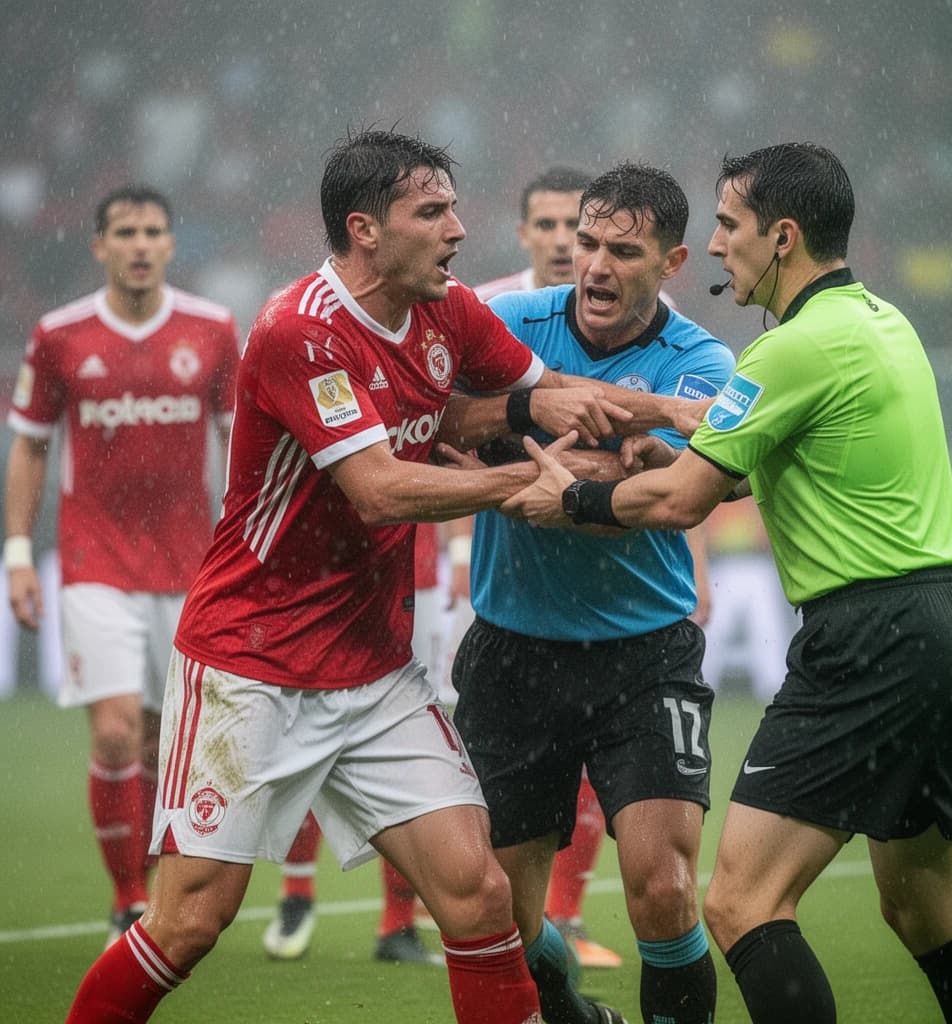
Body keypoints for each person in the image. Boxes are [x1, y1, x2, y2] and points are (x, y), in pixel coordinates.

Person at [63, 126, 660, 1024]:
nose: (459, 228)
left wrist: (677, 421)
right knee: (190, 920)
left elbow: (528, 402)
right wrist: (529, 483)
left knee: (477, 893)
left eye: (454, 206)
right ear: (366, 229)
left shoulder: (446, 308)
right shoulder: (298, 331)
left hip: (374, 669)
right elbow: (379, 491)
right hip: (249, 665)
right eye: (433, 211)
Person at [505, 142, 952, 1024]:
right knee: (926, 908)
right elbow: (747, 467)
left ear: (783, 237)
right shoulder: (880, 321)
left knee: (742, 903)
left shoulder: (788, 350)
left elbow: (680, 503)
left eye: (728, 226)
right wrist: (679, 447)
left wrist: (577, 496)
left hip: (873, 636)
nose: (714, 246)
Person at [452, 162, 734, 1024]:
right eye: (587, 243)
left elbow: (655, 500)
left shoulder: (700, 359)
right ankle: (578, 1016)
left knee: (663, 887)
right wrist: (591, 460)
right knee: (499, 910)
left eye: (624, 250)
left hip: (644, 653)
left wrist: (534, 460)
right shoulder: (510, 322)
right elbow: (445, 424)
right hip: (512, 646)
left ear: (673, 262)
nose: (598, 267)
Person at [3, 185, 240, 950]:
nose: (141, 245)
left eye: (153, 232)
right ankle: (126, 900)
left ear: (172, 244)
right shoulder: (60, 335)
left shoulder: (211, 330)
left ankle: (151, 889)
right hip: (94, 563)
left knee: (158, 741)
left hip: (191, 567)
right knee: (112, 735)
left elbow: (242, 448)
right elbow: (32, 445)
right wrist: (16, 554)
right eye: (126, 233)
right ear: (100, 245)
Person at [262, 523, 448, 965]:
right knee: (308, 737)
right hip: (324, 576)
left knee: (412, 748)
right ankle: (297, 893)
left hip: (411, 578)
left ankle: (399, 922)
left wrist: (459, 551)